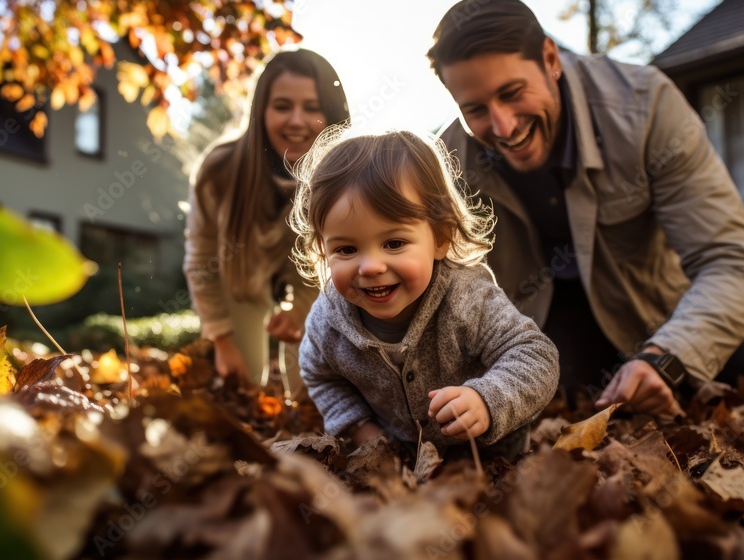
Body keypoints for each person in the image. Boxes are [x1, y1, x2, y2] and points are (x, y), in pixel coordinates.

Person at [427, 0, 744, 415]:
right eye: (475, 110)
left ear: (550, 59)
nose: (503, 127)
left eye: (512, 93)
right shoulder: (447, 164)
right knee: (570, 390)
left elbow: (734, 263)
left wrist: (666, 357)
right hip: (552, 318)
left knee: (736, 371)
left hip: (660, 304)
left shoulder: (647, 106)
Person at [289, 129, 559, 460]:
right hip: (401, 464)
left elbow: (535, 355)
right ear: (322, 249)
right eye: (346, 249)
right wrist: (361, 430)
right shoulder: (328, 321)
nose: (371, 266)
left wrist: (487, 399)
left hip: (491, 460)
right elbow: (320, 376)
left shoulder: (467, 298)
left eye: (394, 243)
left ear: (441, 237)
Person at [184, 49, 350, 394]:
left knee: (311, 390)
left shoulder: (348, 175)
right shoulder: (219, 170)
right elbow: (202, 263)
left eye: (312, 107)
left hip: (314, 284)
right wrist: (223, 341)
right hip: (240, 281)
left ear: (331, 113)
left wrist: (301, 310)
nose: (296, 121)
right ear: (261, 111)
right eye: (282, 106)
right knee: (241, 382)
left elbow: (340, 261)